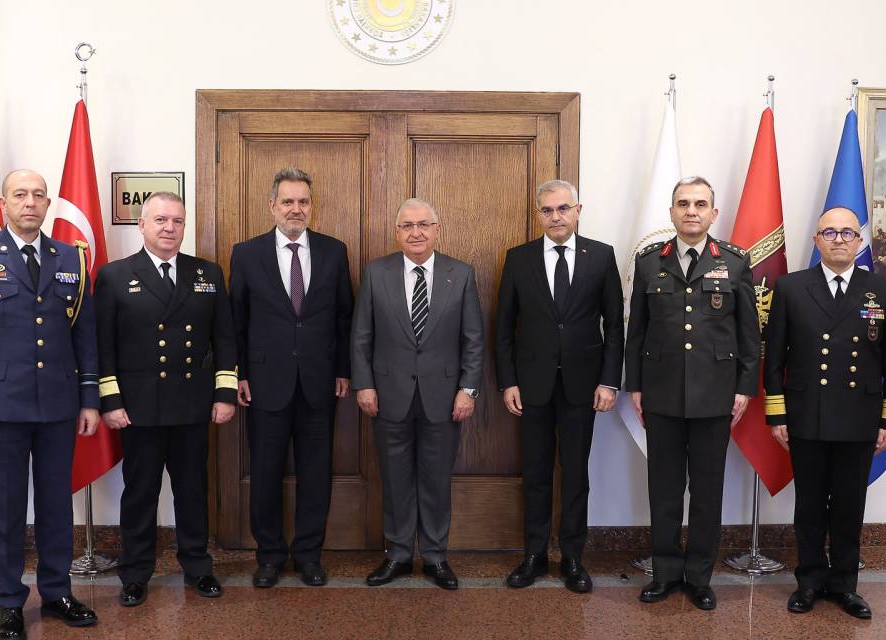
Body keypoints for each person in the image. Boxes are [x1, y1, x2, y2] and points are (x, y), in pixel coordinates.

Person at [0, 169, 100, 639]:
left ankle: (57, 593)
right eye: (20, 195)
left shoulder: (72, 258)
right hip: (2, 408)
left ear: (48, 202)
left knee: (56, 504)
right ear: (2, 202)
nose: (30, 202)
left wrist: (89, 399)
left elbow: (84, 335)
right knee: (7, 507)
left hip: (58, 404)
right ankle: (9, 601)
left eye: (38, 195)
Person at [93, 192, 237, 605]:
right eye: (160, 220)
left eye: (176, 221)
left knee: (192, 491)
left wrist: (224, 392)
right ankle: (135, 573)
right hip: (138, 408)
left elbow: (224, 338)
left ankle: (197, 566)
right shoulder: (116, 275)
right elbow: (104, 346)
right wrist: (111, 400)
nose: (169, 228)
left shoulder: (207, 272)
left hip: (192, 403)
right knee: (140, 492)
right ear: (142, 225)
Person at [623, 176, 759, 610]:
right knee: (663, 489)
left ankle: (699, 576)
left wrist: (743, 388)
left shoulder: (735, 263)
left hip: (715, 396)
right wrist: (636, 385)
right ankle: (665, 573)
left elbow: (749, 335)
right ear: (671, 212)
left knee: (706, 492)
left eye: (701, 204)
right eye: (683, 203)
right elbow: (636, 331)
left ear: (714, 214)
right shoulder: (649, 262)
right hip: (661, 394)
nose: (692, 211)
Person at [764, 207, 886, 620]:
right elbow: (774, 360)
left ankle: (845, 585)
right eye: (830, 232)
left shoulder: (880, 288)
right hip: (807, 415)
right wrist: (778, 414)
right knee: (809, 505)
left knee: (848, 506)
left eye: (847, 232)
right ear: (816, 240)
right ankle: (808, 582)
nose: (839, 239)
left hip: (859, 419)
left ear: (860, 242)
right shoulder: (791, 287)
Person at [495, 179, 623, 593]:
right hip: (531, 386)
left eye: (563, 208)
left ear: (578, 209)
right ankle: (533, 555)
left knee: (575, 475)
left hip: (583, 387)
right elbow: (503, 329)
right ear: (539, 214)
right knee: (534, 474)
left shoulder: (601, 257)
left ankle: (572, 557)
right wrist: (507, 381)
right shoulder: (518, 259)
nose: (556, 217)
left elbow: (615, 326)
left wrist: (609, 380)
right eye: (548, 210)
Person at [351, 198, 484, 591]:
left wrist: (468, 389)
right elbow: (361, 337)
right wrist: (364, 384)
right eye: (407, 226)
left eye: (424, 224)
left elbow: (473, 339)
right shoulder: (377, 273)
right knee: (394, 479)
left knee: (436, 479)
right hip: (388, 395)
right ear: (397, 232)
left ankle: (436, 557)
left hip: (445, 398)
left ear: (437, 229)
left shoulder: (460, 274)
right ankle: (397, 554)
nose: (416, 232)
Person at [229, 168, 353, 587]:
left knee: (317, 473)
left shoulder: (335, 251)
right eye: (287, 201)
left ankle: (308, 556)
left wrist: (343, 370)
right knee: (264, 472)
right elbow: (236, 322)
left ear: (311, 206)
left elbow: (344, 317)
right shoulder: (246, 254)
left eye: (303, 201)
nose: (296, 209)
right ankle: (268, 557)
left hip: (319, 382)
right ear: (272, 206)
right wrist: (240, 374)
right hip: (264, 383)